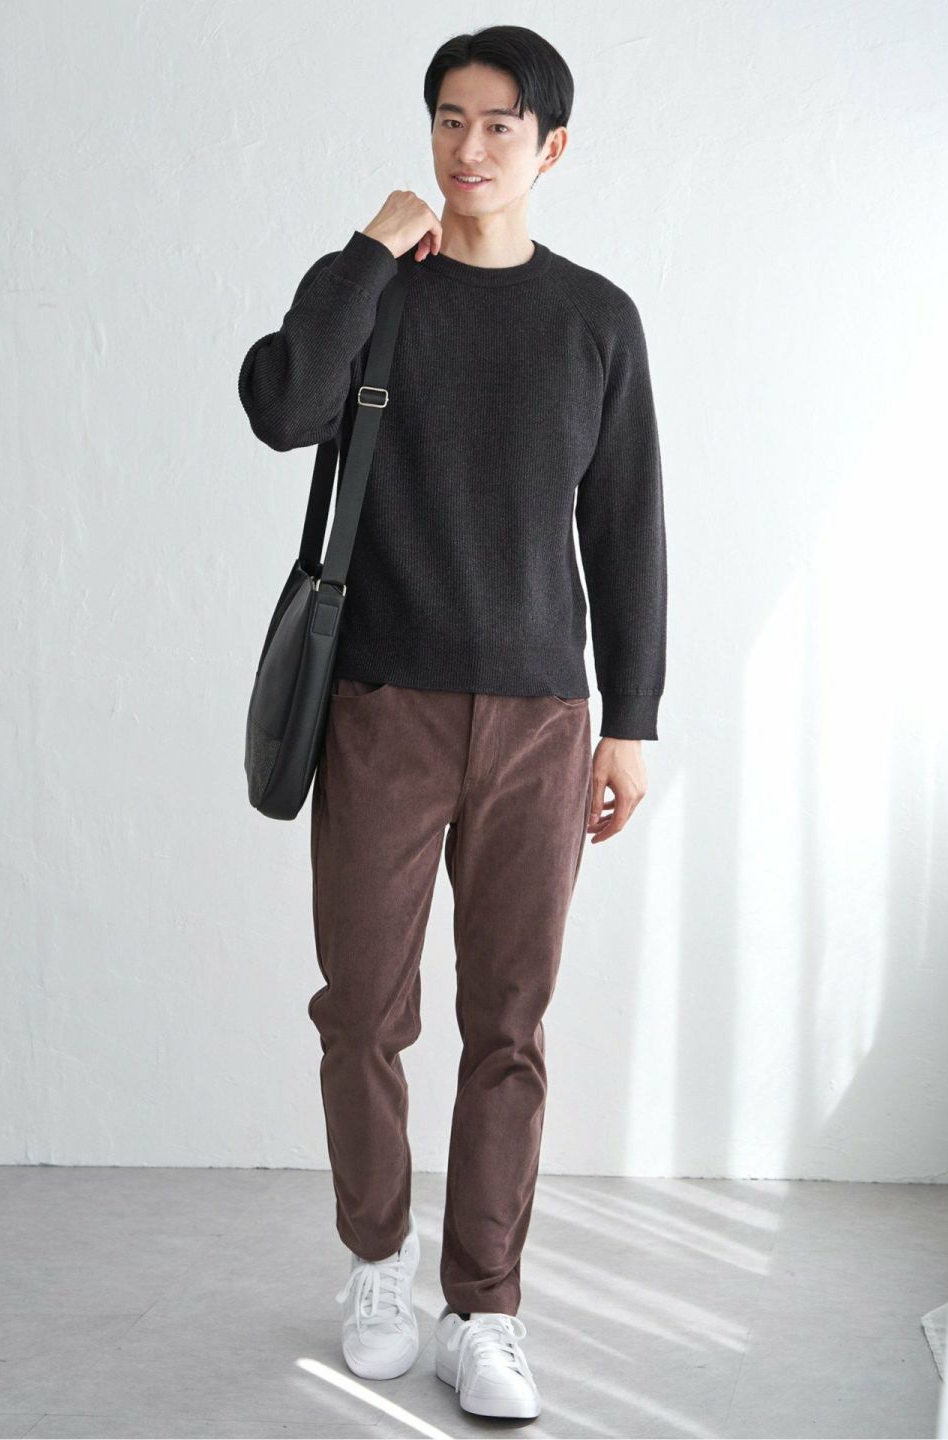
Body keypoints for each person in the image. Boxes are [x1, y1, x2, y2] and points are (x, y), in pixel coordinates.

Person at [238, 23, 666, 1422]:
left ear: (551, 147)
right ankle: (379, 1265)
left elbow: (627, 527)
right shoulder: (380, 294)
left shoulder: (597, 319)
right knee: (361, 1009)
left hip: (543, 719)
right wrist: (368, 249)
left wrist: (633, 718)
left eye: (497, 126)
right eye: (447, 120)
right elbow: (282, 406)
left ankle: (485, 1306)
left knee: (509, 1025)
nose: (467, 149)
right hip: (383, 707)